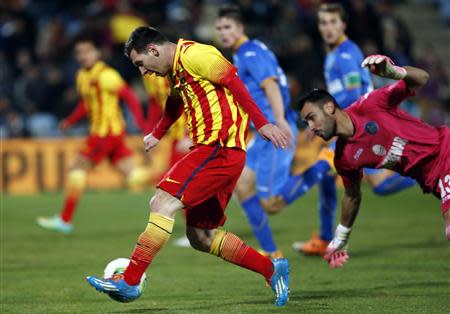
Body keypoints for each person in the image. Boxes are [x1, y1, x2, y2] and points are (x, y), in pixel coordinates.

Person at [86, 26, 290, 306]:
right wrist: (158, 133)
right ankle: (272, 269)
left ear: (154, 50)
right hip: (219, 153)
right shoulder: (177, 69)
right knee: (201, 237)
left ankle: (130, 281)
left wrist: (262, 123)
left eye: (141, 64)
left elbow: (234, 82)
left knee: (161, 203)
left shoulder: (197, 55)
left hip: (217, 148)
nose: (144, 73)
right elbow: (175, 101)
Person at [276, 3, 416, 256]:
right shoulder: (332, 54)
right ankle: (324, 238)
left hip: (362, 127)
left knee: (322, 169)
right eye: (323, 23)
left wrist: (332, 121)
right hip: (350, 127)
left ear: (343, 25)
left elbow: (353, 94)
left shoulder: (346, 54)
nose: (328, 28)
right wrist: (319, 121)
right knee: (364, 184)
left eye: (332, 22)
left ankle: (276, 201)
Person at [297, 54, 450, 269]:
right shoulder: (344, 158)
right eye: (306, 122)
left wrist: (393, 72)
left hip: (445, 151)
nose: (311, 127)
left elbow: (422, 78)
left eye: (312, 117)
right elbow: (352, 196)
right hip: (431, 180)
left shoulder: (371, 105)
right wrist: (341, 237)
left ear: (330, 107)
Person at [36, 35, 147, 234]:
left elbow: (130, 97)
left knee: (76, 167)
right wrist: (70, 121)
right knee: (133, 175)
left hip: (105, 134)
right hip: (108, 134)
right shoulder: (82, 76)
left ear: (97, 53)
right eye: (79, 53)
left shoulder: (107, 75)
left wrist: (140, 123)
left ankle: (65, 220)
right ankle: (168, 182)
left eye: (87, 51)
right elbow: (86, 104)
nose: (83, 56)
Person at [215, 5, 298, 258]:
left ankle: (319, 170)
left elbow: (269, 84)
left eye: (228, 27)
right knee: (242, 186)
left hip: (275, 129)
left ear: (240, 28)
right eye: (219, 28)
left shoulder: (250, 52)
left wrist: (280, 119)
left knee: (270, 204)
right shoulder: (242, 54)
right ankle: (272, 252)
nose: (223, 33)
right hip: (263, 132)